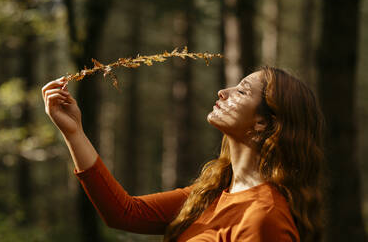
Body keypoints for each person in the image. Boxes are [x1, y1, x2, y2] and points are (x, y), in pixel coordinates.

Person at [42, 66, 325, 242]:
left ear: (263, 123)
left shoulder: (264, 217)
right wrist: (74, 132)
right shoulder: (211, 193)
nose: (223, 92)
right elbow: (124, 213)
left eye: (242, 91)